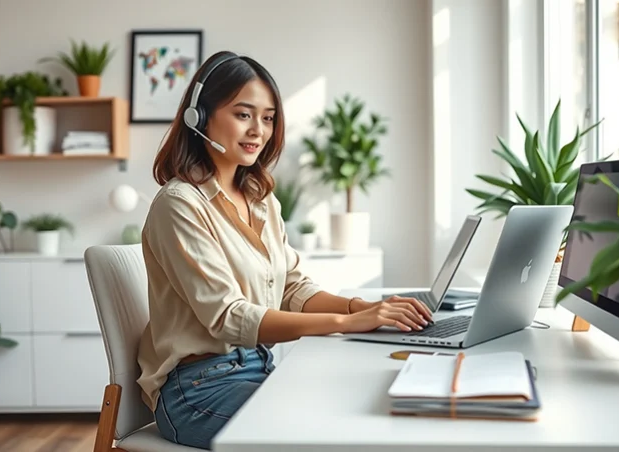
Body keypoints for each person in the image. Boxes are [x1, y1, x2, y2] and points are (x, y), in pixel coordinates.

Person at [136, 50, 433, 450]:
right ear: (200, 117)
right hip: (198, 392)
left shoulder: (261, 199)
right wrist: (346, 324)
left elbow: (293, 289)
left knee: (366, 410)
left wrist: (360, 308)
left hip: (258, 369)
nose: (258, 130)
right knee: (331, 437)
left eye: (268, 117)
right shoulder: (180, 205)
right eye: (243, 114)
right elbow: (227, 317)